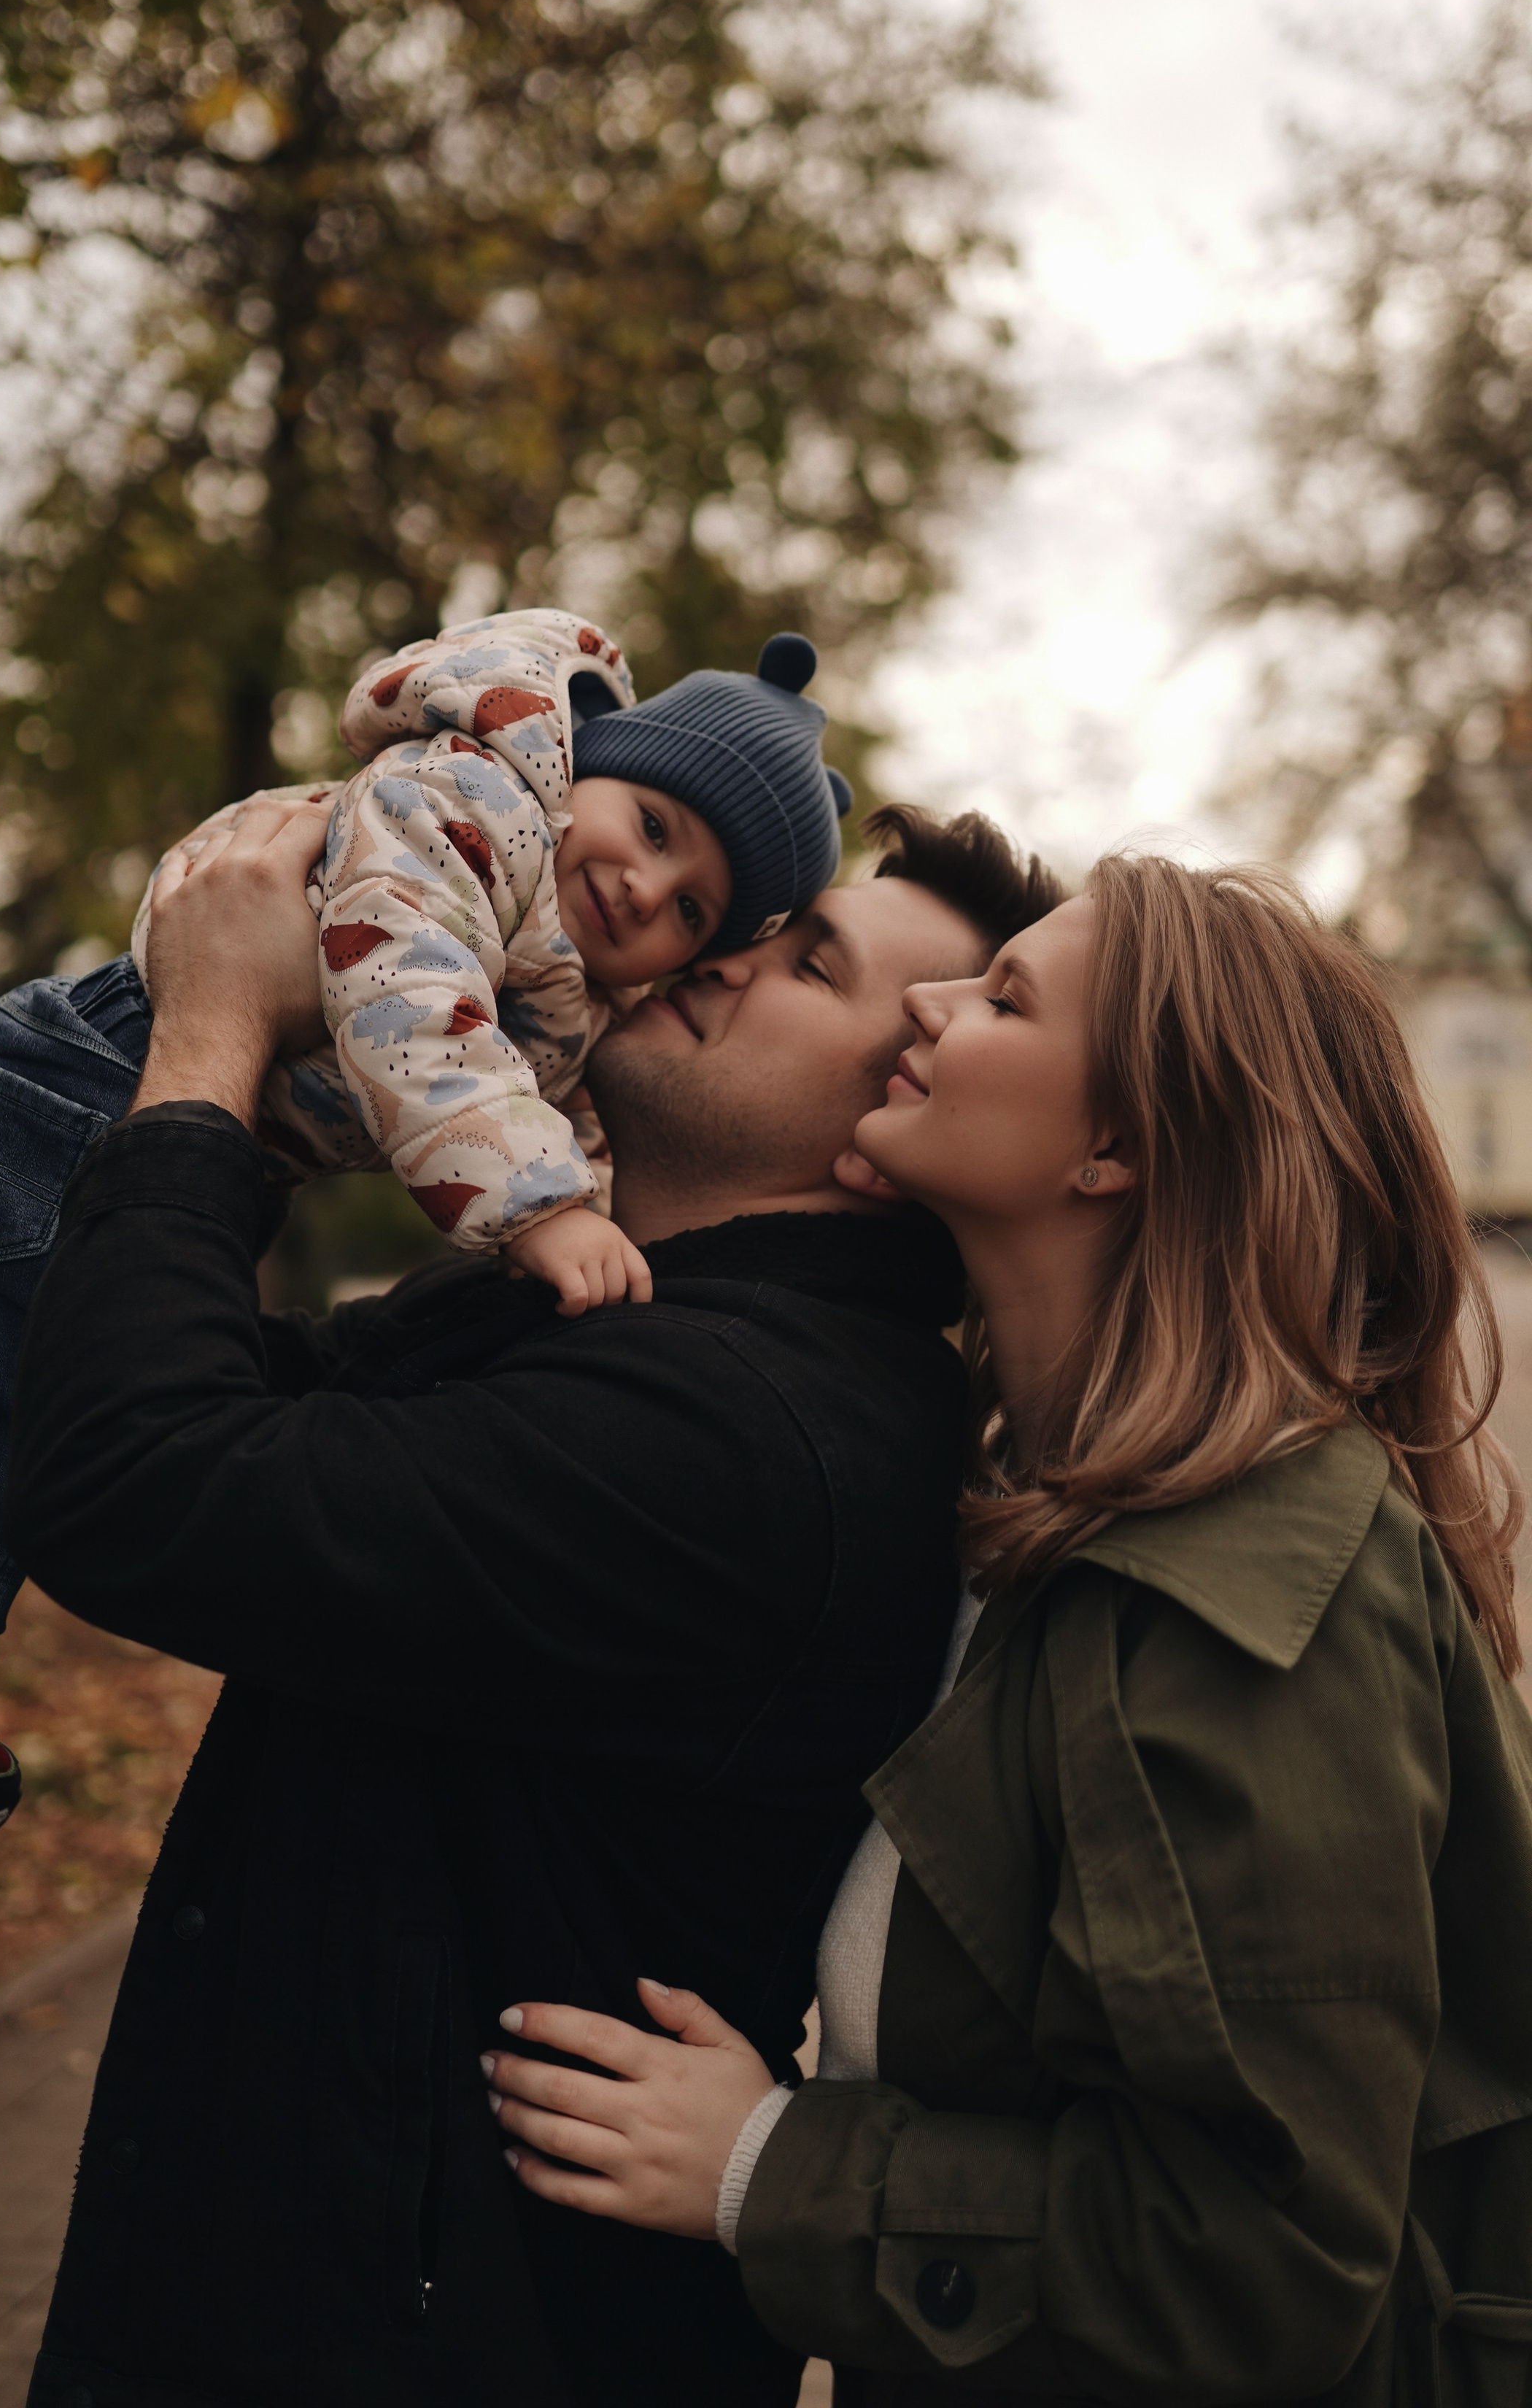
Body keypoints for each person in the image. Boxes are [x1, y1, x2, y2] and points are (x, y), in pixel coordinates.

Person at [1, 794, 1062, 2408]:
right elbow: (135, 1380)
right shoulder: (624, 1325)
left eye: (807, 960)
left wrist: (214, 1039)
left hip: (429, 2337)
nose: (722, 950)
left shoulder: (740, 1437)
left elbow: (134, 1482)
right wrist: (321, 1071)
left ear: (888, 1120)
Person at [484, 854, 1532, 2408]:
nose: (927, 998)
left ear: (1114, 1147)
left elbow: (1256, 2261)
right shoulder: (1016, 1493)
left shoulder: (1239, 1597)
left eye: (1003, 997)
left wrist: (766, 2168)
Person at [0, 607, 851, 1845]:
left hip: (62, 1077)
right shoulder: (478, 808)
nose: (645, 887)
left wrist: (613, 1226)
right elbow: (409, 996)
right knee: (28, 1410)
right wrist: (538, 1211)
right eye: (654, 829)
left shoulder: (560, 967)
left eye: (694, 911)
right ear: (597, 762)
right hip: (114, 1076)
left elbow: (561, 1110)